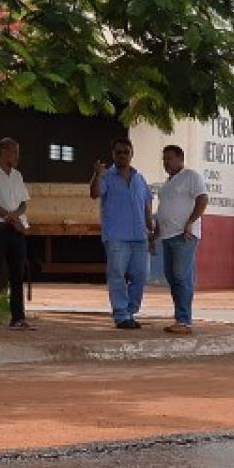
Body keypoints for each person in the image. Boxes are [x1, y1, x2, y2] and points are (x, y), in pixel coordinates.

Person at [89, 137, 154, 329]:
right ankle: (121, 315)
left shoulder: (140, 178)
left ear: (132, 153)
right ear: (113, 154)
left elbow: (147, 205)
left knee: (141, 276)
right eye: (119, 152)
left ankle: (130, 312)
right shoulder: (106, 176)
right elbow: (94, 193)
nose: (123, 155)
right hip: (116, 236)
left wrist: (150, 230)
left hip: (140, 237)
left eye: (126, 152)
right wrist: (96, 175)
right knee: (117, 276)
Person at [0, 137, 34, 331]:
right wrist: (10, 218)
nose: (17, 156)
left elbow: (23, 203)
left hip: (17, 229)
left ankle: (18, 318)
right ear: (4, 152)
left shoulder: (17, 175)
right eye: (15, 152)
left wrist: (16, 218)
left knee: (17, 274)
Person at [153, 145, 209, 335]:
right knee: (171, 277)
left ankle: (184, 321)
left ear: (180, 158)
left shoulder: (191, 176)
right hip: (167, 236)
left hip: (184, 235)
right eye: (164, 159)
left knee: (181, 276)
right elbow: (163, 210)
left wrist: (190, 222)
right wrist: (155, 234)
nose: (166, 162)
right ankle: (180, 318)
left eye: (169, 158)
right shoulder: (167, 184)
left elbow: (203, 199)